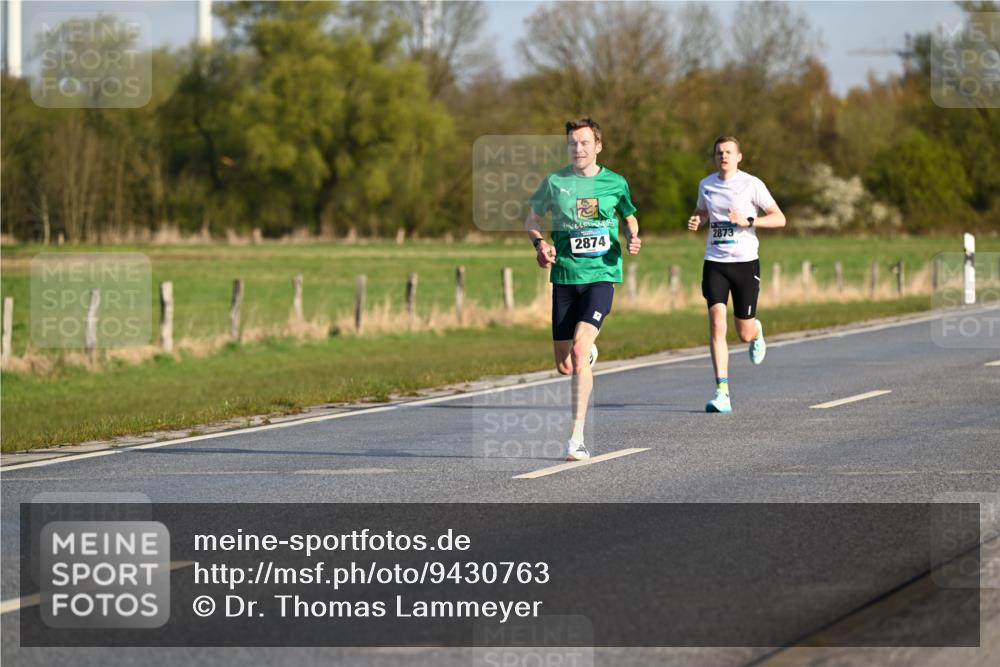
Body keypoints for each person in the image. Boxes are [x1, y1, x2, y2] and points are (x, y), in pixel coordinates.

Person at [525, 118, 641, 460]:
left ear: (598, 146)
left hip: (601, 276)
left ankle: (576, 437)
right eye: (573, 143)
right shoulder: (554, 182)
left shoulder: (615, 182)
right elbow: (531, 219)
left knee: (577, 351)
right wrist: (541, 245)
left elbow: (629, 215)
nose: (578, 149)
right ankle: (585, 353)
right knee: (565, 365)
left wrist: (634, 235)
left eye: (585, 143)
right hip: (564, 278)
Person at [687, 135, 786, 413]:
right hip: (715, 262)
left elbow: (780, 217)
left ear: (739, 156)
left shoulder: (752, 184)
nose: (724, 156)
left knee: (743, 332)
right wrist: (698, 218)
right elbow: (702, 210)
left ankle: (756, 331)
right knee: (717, 324)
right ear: (714, 157)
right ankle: (722, 392)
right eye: (719, 152)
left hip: (745, 263)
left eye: (729, 152)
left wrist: (749, 220)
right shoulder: (706, 184)